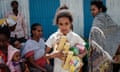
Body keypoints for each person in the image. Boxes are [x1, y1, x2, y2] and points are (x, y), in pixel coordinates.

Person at [45, 5, 87, 72]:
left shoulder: (75, 37)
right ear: (57, 24)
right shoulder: (53, 37)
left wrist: (79, 56)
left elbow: (84, 50)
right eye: (61, 24)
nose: (64, 27)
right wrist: (52, 55)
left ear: (71, 23)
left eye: (66, 23)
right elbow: (44, 55)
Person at [89, 1, 120, 72]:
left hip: (102, 54)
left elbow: (95, 35)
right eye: (91, 10)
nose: (92, 12)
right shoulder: (107, 17)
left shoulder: (98, 18)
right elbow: (116, 30)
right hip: (112, 52)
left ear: (100, 9)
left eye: (94, 9)